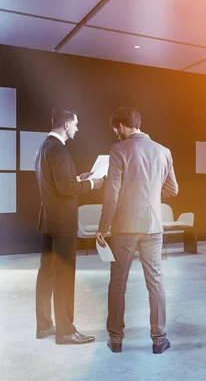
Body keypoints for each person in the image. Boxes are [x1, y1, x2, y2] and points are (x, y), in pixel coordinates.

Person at [95, 107, 178, 354]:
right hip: (153, 227)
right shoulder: (164, 151)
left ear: (121, 126)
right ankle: (159, 338)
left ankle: (116, 339)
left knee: (117, 283)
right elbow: (172, 189)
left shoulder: (118, 150)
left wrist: (103, 227)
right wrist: (150, 195)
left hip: (124, 228)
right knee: (156, 282)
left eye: (115, 129)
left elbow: (112, 194)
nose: (115, 133)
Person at [34, 106, 104, 345]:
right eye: (75, 124)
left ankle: (44, 326)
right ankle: (66, 332)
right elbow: (66, 189)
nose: (77, 128)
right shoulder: (60, 150)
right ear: (66, 125)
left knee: (46, 274)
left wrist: (79, 178)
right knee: (64, 276)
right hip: (63, 223)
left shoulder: (43, 148)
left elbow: (57, 184)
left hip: (48, 220)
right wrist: (93, 184)